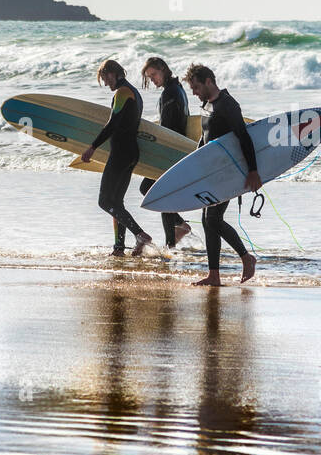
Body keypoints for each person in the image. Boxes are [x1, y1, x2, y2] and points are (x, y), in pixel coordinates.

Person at [184, 63, 261, 287]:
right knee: (207, 221)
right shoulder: (207, 105)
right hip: (211, 171)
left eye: (196, 86)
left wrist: (253, 171)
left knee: (213, 219)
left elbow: (243, 137)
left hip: (228, 172)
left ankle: (247, 257)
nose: (194, 92)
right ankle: (214, 275)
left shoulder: (227, 104)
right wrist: (193, 163)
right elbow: (205, 139)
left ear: (209, 81)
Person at [81, 59, 152, 258]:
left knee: (104, 201)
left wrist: (92, 148)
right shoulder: (135, 93)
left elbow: (112, 124)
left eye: (105, 78)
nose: (105, 83)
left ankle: (140, 234)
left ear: (113, 73)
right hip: (130, 153)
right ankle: (119, 248)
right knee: (116, 202)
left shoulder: (122, 93)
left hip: (121, 154)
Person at [139, 57, 192, 249]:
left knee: (156, 193)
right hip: (175, 150)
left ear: (163, 69)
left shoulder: (170, 92)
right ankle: (175, 235)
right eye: (149, 77)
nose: (152, 80)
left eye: (153, 75)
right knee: (159, 194)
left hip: (169, 151)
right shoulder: (177, 89)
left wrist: (157, 150)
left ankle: (172, 242)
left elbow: (169, 127)